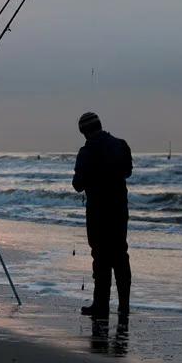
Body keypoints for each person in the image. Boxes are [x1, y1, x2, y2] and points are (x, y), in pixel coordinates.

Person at [71, 112, 133, 317]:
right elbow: (128, 171)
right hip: (119, 208)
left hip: (98, 210)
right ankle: (124, 305)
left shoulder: (86, 151)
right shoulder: (121, 144)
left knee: (100, 256)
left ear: (84, 131)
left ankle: (101, 305)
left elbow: (78, 185)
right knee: (120, 255)